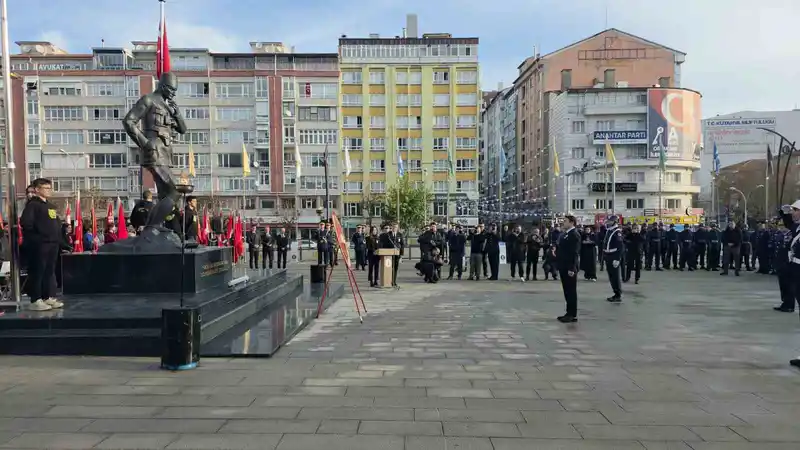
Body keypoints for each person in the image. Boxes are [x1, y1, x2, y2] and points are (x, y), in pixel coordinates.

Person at [20, 178, 64, 311]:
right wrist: (38, 238)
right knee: (38, 271)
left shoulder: (50, 205)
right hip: (40, 244)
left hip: (53, 243)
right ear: (37, 190)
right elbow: (26, 223)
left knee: (49, 271)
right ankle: (35, 299)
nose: (49, 190)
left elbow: (55, 223)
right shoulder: (33, 205)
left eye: (50, 188)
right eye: (46, 188)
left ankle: (47, 297)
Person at [777, 203, 800, 368]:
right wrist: (783, 212)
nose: (793, 213)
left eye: (796, 210)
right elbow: (789, 223)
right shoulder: (797, 228)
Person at [556, 215, 580, 323]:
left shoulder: (574, 234)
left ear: (571, 222)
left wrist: (572, 268)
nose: (563, 223)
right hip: (563, 265)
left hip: (569, 267)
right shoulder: (566, 234)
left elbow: (574, 253)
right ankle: (568, 312)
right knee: (566, 290)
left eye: (565, 221)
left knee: (571, 291)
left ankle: (572, 314)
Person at [602, 215, 624, 302]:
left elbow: (620, 247)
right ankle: (615, 293)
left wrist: (617, 259)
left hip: (614, 256)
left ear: (615, 222)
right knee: (611, 276)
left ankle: (618, 294)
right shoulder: (609, 231)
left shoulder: (617, 232)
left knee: (615, 276)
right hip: (608, 255)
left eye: (610, 221)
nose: (608, 222)